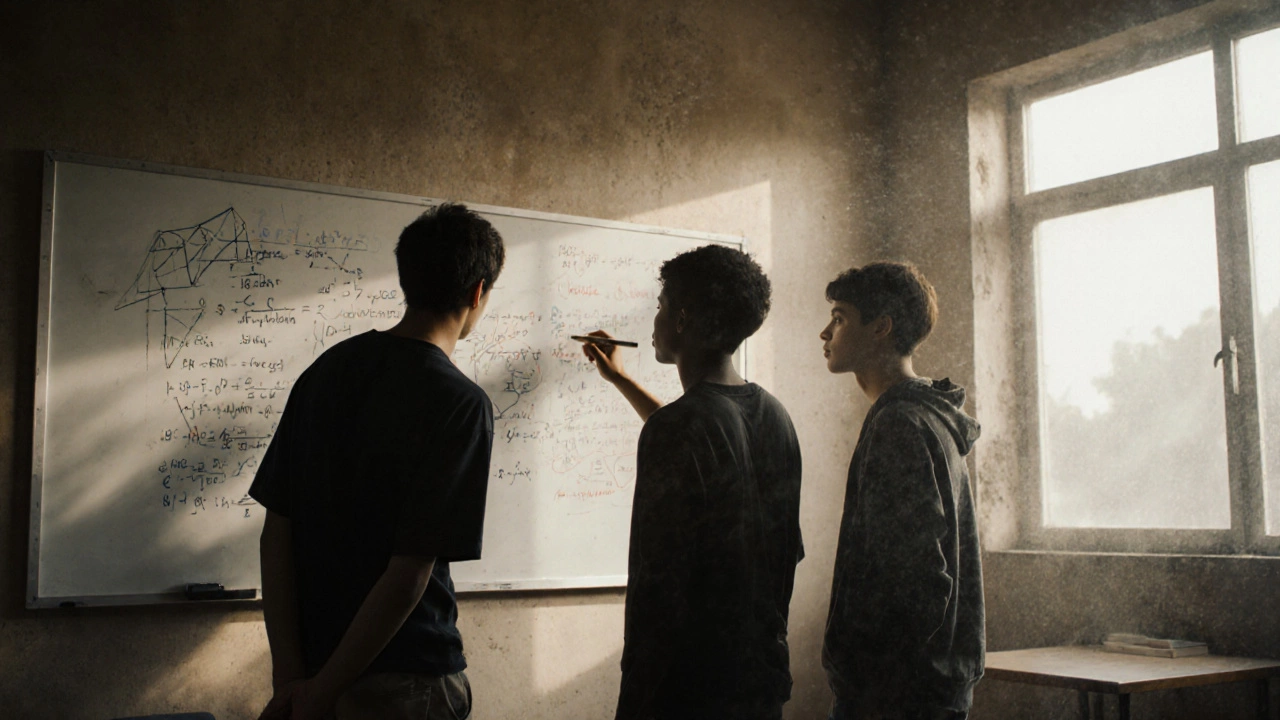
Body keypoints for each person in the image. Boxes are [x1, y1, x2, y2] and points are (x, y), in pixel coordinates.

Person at [250, 203, 505, 720]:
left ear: (405, 278)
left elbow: (277, 530)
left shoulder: (325, 372)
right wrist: (320, 692)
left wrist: (293, 681)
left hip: (315, 672)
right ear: (478, 292)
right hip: (408, 679)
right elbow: (409, 573)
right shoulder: (460, 402)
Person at [583, 244, 804, 720]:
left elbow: (656, 589)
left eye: (661, 308)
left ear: (682, 321)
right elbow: (710, 441)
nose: (655, 321)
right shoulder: (775, 418)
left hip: (686, 690)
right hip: (759, 682)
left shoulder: (680, 430)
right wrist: (621, 380)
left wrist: (636, 701)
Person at [818, 262, 984, 720]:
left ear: (881, 328)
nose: (824, 332)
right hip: (922, 690)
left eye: (839, 317)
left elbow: (919, 578)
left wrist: (873, 680)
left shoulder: (899, 423)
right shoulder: (924, 414)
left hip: (897, 698)